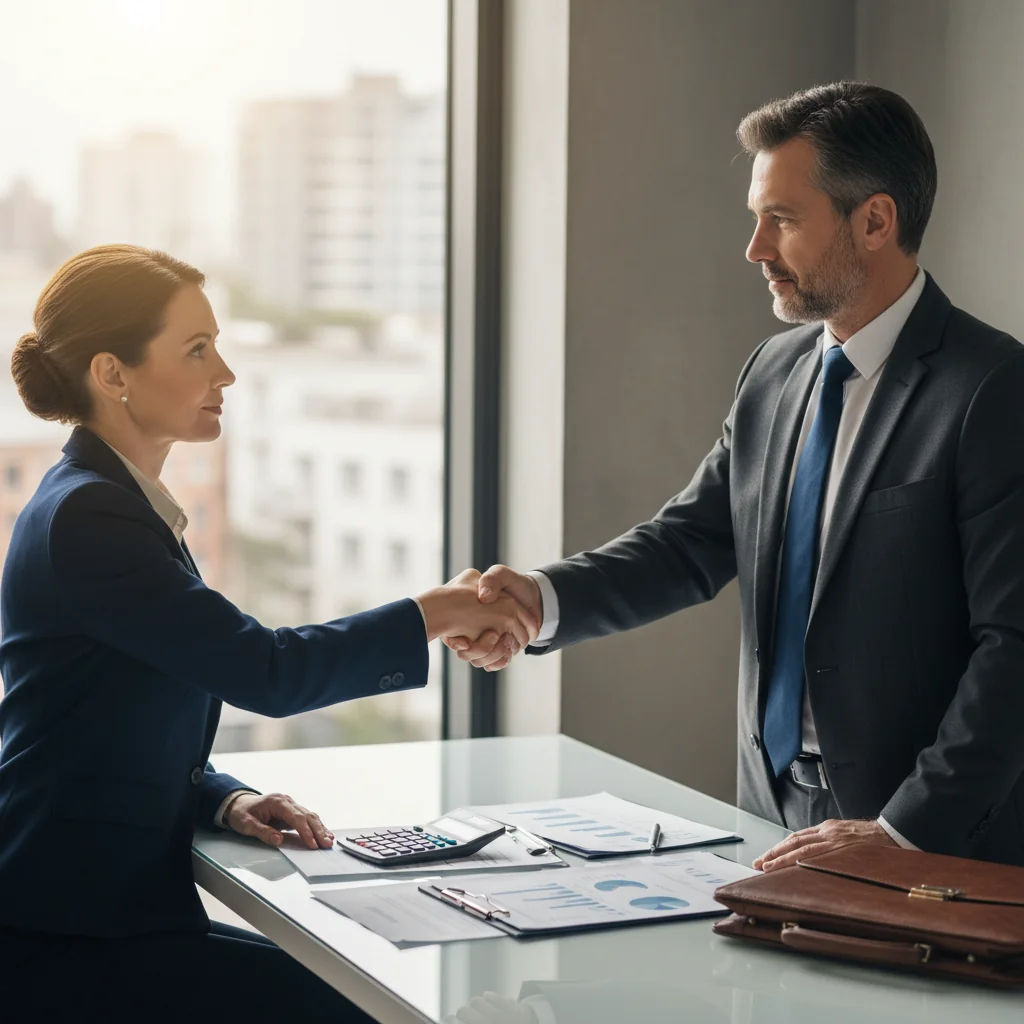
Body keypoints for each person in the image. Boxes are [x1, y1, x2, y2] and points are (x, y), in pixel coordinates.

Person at [446, 82, 1024, 869]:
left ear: (876, 221)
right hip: (770, 811)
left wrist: (905, 833)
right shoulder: (775, 370)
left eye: (781, 220)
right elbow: (692, 542)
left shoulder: (993, 389)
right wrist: (539, 602)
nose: (754, 248)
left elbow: (1014, 646)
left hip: (926, 842)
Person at [0, 244, 538, 1014]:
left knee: (361, 988)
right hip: (67, 929)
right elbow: (265, 670)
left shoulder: (106, 501)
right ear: (112, 374)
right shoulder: (91, 515)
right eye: (197, 350)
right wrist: (435, 613)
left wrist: (221, 799)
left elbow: (101, 718)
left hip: (98, 910)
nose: (225, 374)